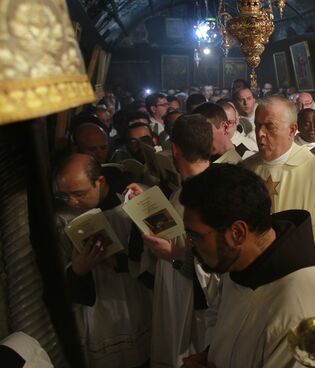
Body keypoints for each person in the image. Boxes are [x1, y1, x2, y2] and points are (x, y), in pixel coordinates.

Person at [179, 164, 315, 368]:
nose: (190, 244)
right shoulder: (240, 261)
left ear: (238, 233)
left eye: (196, 235)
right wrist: (210, 354)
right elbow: (222, 320)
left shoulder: (300, 309)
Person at [54, 154, 152, 368]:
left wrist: (121, 262)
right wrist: (78, 270)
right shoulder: (60, 220)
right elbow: (54, 283)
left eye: (78, 194)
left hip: (136, 303)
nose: (71, 202)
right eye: (65, 195)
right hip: (98, 317)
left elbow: (157, 261)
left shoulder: (129, 205)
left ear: (100, 182)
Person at [138, 114, 213, 367]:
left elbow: (213, 263)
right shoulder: (185, 189)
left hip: (195, 308)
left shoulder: (206, 194)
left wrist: (174, 254)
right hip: (175, 294)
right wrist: (146, 202)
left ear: (176, 149)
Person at [242, 96, 315, 271]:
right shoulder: (246, 170)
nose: (260, 133)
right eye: (258, 125)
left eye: (269, 126)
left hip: (295, 276)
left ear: (292, 130)